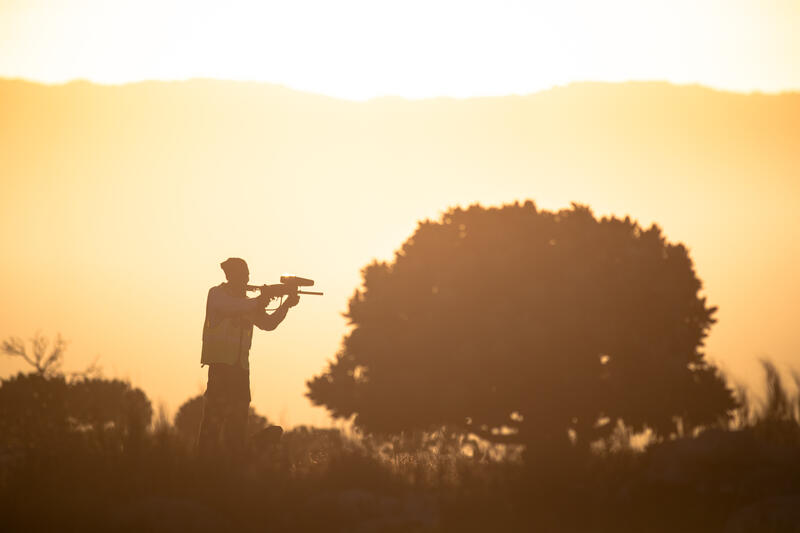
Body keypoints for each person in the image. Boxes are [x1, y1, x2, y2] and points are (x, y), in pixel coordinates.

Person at [197, 257, 299, 458]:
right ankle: (203, 462)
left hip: (241, 370)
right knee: (212, 421)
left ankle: (233, 459)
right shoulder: (217, 294)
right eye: (242, 275)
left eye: (247, 275)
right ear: (229, 276)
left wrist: (285, 305)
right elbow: (233, 307)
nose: (246, 279)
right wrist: (262, 299)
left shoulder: (247, 303)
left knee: (237, 423)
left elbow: (268, 324)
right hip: (221, 368)